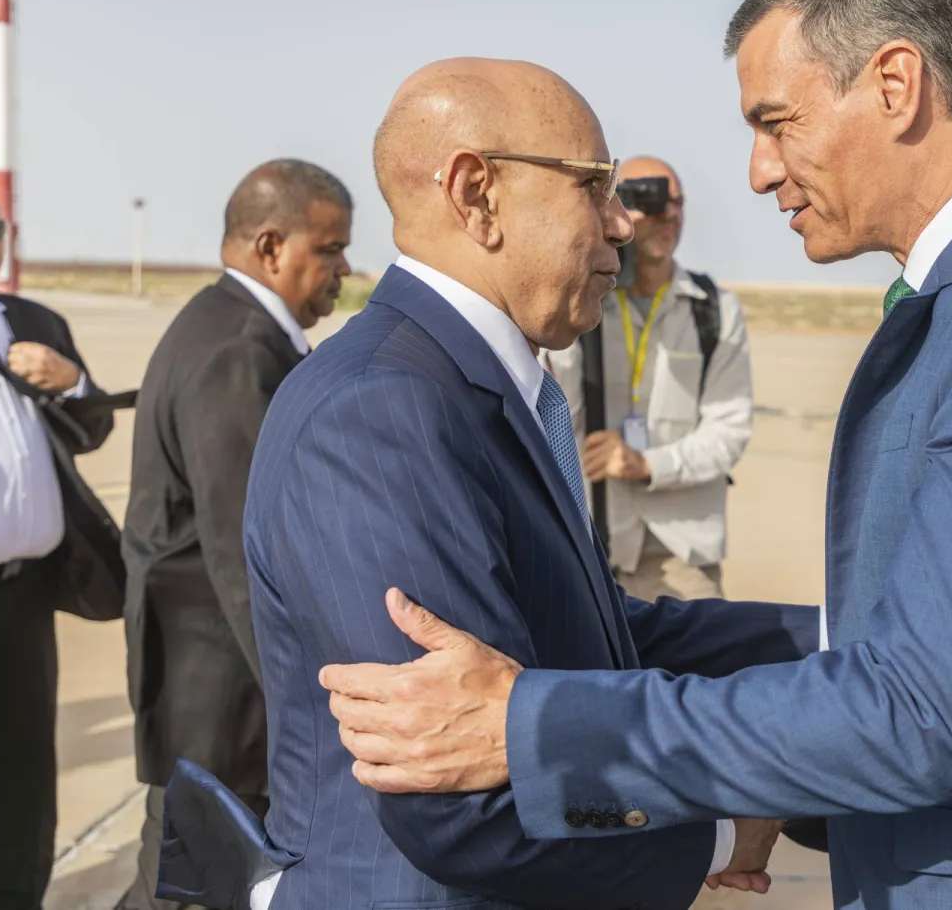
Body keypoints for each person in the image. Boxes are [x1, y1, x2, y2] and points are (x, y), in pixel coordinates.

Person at [320, 0, 952, 909]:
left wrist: (530, 725)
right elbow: (906, 633)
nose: (759, 170)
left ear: (896, 85)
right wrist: (638, 655)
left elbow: (918, 711)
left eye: (777, 121)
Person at [155, 59, 818, 910]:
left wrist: (845, 641)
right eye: (595, 187)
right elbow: (465, 808)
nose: (620, 224)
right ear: (476, 195)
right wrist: (719, 831)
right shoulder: (379, 411)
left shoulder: (479, 387)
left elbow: (597, 640)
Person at [116, 160, 353, 910]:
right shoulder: (237, 350)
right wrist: (310, 710)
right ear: (271, 245)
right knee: (191, 895)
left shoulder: (230, 327)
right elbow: (246, 554)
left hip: (217, 702)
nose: (344, 269)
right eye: (331, 249)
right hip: (227, 708)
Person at [0, 183, 124, 910]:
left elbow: (91, 429)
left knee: (24, 767)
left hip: (27, 592)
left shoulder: (34, 321)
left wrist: (73, 384)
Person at [542, 155, 752, 601]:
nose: (666, 214)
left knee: (699, 669)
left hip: (683, 554)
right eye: (647, 199)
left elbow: (729, 431)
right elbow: (561, 416)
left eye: (676, 201)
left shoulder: (712, 309)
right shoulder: (584, 305)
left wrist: (649, 465)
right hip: (595, 544)